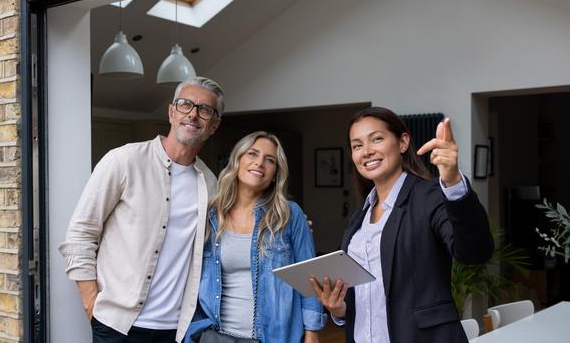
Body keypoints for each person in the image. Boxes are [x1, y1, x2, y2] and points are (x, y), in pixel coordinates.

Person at [59, 77, 224, 343]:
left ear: (214, 125)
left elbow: (230, 234)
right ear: (172, 112)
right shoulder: (124, 160)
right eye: (185, 105)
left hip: (176, 330)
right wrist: (90, 300)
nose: (193, 114)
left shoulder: (210, 183)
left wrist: (287, 224)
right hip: (117, 326)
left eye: (205, 110)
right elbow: (81, 233)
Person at [310, 107, 494, 343]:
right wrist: (338, 309)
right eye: (357, 146)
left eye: (376, 139)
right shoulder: (359, 217)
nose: (366, 151)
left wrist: (453, 181)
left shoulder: (431, 196)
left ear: (403, 142)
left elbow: (475, 252)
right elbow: (368, 296)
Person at [185, 131, 326, 343]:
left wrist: (312, 333)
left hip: (274, 337)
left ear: (275, 173)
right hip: (214, 336)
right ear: (238, 159)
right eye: (252, 154)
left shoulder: (289, 215)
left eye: (270, 160)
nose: (259, 163)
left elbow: (310, 278)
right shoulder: (210, 214)